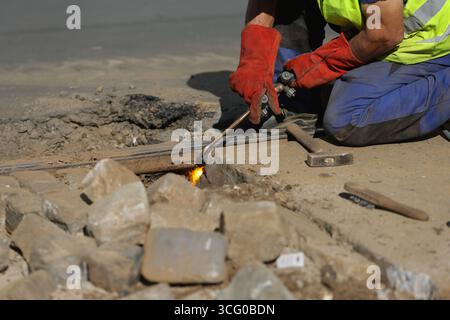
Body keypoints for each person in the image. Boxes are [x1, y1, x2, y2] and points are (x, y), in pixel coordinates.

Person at [230, 0, 450, 146]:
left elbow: (384, 35)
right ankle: (295, 106)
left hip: (426, 44)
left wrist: (324, 63)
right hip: (379, 24)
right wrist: (254, 57)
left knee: (345, 119)